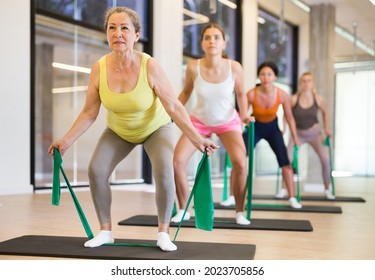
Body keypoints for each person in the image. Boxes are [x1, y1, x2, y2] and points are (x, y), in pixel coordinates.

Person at [47, 7, 218, 252]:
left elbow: (173, 105)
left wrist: (197, 139)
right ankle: (105, 231)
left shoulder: (150, 65)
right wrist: (64, 142)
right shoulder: (99, 68)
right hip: (119, 131)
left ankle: (163, 233)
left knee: (164, 170)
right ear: (106, 33)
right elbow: (89, 113)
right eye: (112, 28)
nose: (118, 33)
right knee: (96, 171)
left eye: (124, 28)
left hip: (155, 128)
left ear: (137, 35)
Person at [171, 23, 253, 225]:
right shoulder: (193, 67)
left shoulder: (234, 67)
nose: (212, 41)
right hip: (199, 122)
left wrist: (244, 116)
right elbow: (186, 92)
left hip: (228, 121)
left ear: (224, 43)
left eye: (216, 37)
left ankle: (240, 211)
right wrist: (171, 109)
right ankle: (183, 209)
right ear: (202, 43)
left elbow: (241, 94)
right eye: (207, 37)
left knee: (241, 164)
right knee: (178, 161)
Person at [244, 61, 302, 208]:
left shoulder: (282, 95)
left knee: (286, 164)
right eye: (263, 74)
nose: (266, 77)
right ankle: (233, 196)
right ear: (259, 76)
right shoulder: (251, 94)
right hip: (254, 126)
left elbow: (289, 117)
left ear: (275, 76)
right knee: (239, 160)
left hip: (272, 128)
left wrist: (295, 138)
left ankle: (292, 198)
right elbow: (242, 115)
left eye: (269, 74)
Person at [277, 72, 335, 199]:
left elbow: (325, 113)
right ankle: (283, 188)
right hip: (297, 134)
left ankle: (327, 189)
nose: (306, 83)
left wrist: (326, 128)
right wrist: (284, 128)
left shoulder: (318, 99)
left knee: (325, 160)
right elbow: (287, 114)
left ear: (312, 83)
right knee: (287, 159)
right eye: (304, 81)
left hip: (315, 134)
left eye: (309, 80)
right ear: (300, 83)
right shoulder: (293, 99)